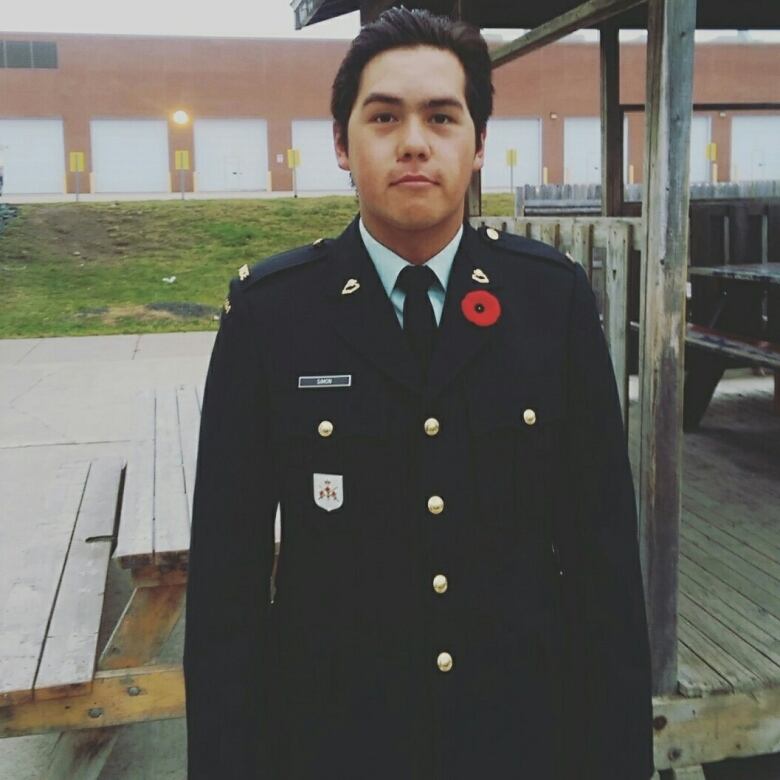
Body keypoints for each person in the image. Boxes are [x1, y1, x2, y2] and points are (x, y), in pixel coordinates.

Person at [183, 7, 654, 779]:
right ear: (341, 143)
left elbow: (604, 571)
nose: (413, 141)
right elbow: (226, 593)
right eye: (383, 117)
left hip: (522, 740)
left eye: (442, 117)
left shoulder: (551, 304)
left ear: (477, 148)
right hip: (334, 744)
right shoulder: (273, 315)